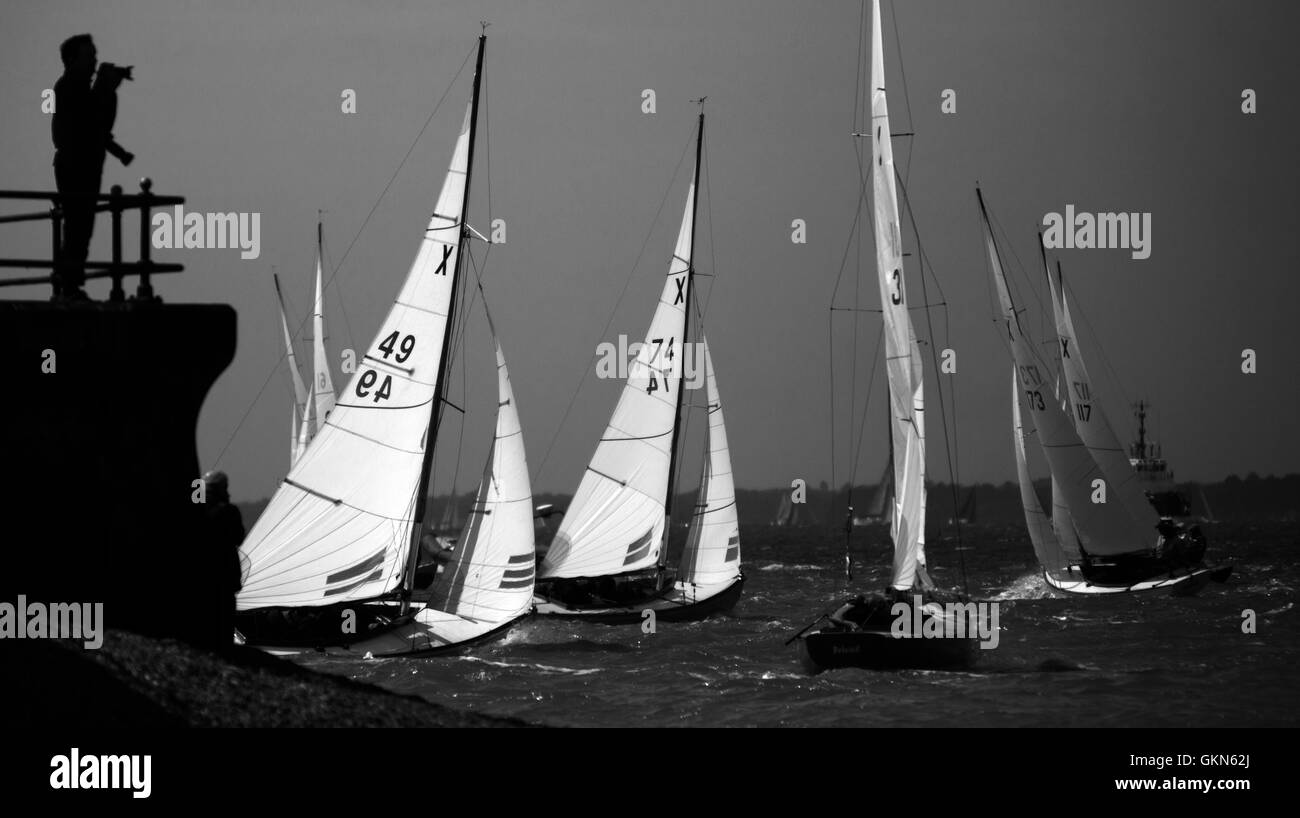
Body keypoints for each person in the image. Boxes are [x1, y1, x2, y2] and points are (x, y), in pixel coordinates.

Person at [51, 34, 134, 299]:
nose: (95, 61)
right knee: (77, 226)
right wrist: (105, 90)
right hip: (76, 167)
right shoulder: (68, 88)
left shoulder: (77, 88)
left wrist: (105, 91)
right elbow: (91, 124)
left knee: (81, 227)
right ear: (73, 59)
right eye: (90, 56)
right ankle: (70, 284)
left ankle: (71, 283)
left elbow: (98, 127)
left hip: (85, 165)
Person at [202, 470, 245, 650]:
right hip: (225, 576)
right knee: (224, 617)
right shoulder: (228, 511)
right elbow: (239, 536)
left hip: (207, 576)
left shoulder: (199, 509)